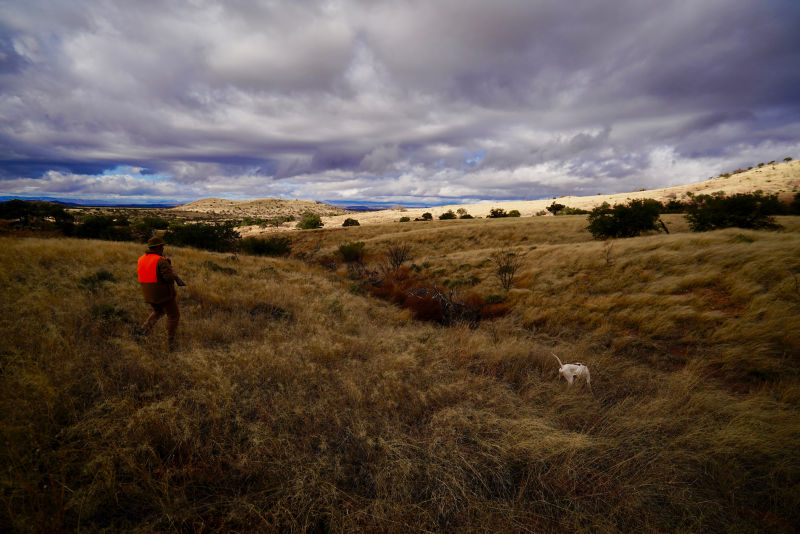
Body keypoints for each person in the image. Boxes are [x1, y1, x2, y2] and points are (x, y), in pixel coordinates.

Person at [137, 236, 186, 351]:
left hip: (148, 293)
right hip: (163, 294)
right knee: (174, 316)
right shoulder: (160, 260)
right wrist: (173, 272)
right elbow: (168, 278)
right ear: (159, 247)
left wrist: (167, 264)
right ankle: (169, 343)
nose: (163, 247)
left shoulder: (141, 259)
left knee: (158, 311)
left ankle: (142, 332)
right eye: (162, 246)